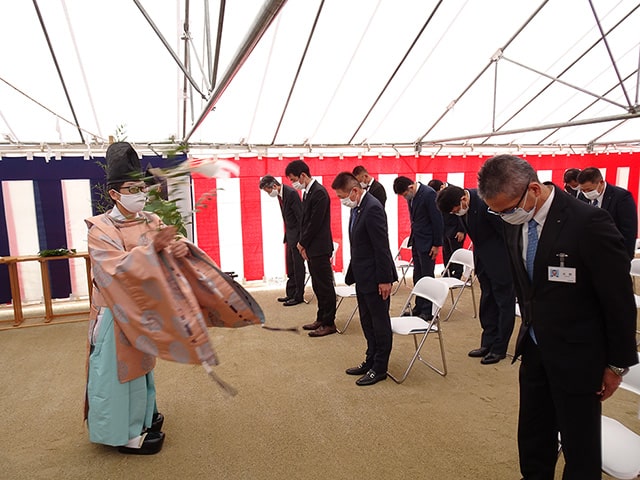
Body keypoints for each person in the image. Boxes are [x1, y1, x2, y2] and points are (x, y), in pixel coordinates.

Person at [477, 154, 638, 479]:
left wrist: (617, 364)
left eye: (507, 209)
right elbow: (528, 286)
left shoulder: (588, 223)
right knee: (534, 436)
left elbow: (619, 299)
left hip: (580, 356)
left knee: (580, 449)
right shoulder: (514, 223)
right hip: (535, 349)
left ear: (533, 190)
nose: (503, 217)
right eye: (496, 212)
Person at [436, 185, 516, 365]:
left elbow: (507, 232)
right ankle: (487, 342)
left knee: (504, 303)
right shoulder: (462, 206)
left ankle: (499, 347)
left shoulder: (487, 202)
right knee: (487, 300)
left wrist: (508, 261)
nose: (456, 213)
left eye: (455, 209)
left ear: (463, 200)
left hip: (501, 261)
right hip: (482, 260)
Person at [331, 172, 397, 386]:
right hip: (362, 275)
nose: (342, 201)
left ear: (355, 190)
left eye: (343, 196)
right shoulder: (358, 207)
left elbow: (381, 247)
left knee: (379, 322)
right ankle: (370, 359)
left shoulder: (373, 208)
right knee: (367, 321)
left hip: (377, 277)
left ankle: (380, 367)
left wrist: (385, 279)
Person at [285, 159, 337, 337]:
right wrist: (303, 244)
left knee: (325, 286)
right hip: (311, 247)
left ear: (303, 175)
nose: (293, 183)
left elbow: (314, 223)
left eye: (293, 179)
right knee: (317, 285)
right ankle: (321, 318)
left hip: (320, 247)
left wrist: (301, 243)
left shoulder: (319, 193)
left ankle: (329, 322)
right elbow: (304, 222)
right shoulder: (308, 192)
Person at [392, 176, 443, 320]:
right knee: (418, 277)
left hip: (428, 243)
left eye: (404, 194)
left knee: (427, 276)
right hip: (417, 241)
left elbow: (437, 220)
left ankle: (428, 310)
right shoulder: (412, 197)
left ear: (410, 187)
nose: (404, 198)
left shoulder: (429, 194)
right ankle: (419, 306)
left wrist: (436, 244)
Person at [259, 175, 305, 306]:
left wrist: (300, 240)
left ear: (274, 186)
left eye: (268, 191)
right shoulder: (280, 195)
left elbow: (300, 217)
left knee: (298, 267)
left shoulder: (291, 194)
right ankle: (291, 293)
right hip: (289, 235)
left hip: (297, 237)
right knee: (290, 266)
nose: (269, 194)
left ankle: (298, 295)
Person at [577, 166, 638, 260]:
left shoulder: (621, 197)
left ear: (601, 183)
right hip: (589, 254)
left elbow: (628, 231)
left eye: (589, 190)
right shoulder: (582, 197)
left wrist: (626, 258)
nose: (586, 193)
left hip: (614, 253)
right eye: (583, 190)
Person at [428, 179, 465, 279]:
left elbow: (462, 212)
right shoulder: (437, 195)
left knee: (456, 252)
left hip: (456, 228)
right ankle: (448, 271)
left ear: (441, 187)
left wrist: (462, 230)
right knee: (446, 251)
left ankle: (457, 273)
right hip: (444, 227)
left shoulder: (455, 192)